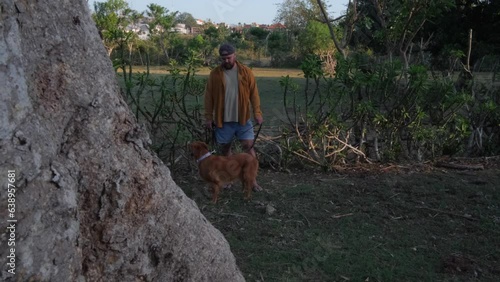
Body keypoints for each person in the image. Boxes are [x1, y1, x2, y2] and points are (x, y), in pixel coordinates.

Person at [204, 43, 264, 190]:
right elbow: (208, 96)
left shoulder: (246, 72)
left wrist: (257, 112)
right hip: (223, 121)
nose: (226, 61)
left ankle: (252, 180)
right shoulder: (215, 74)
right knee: (225, 151)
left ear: (235, 56)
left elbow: (254, 94)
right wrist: (208, 117)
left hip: (242, 119)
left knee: (248, 147)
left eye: (229, 58)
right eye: (223, 58)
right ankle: (229, 179)